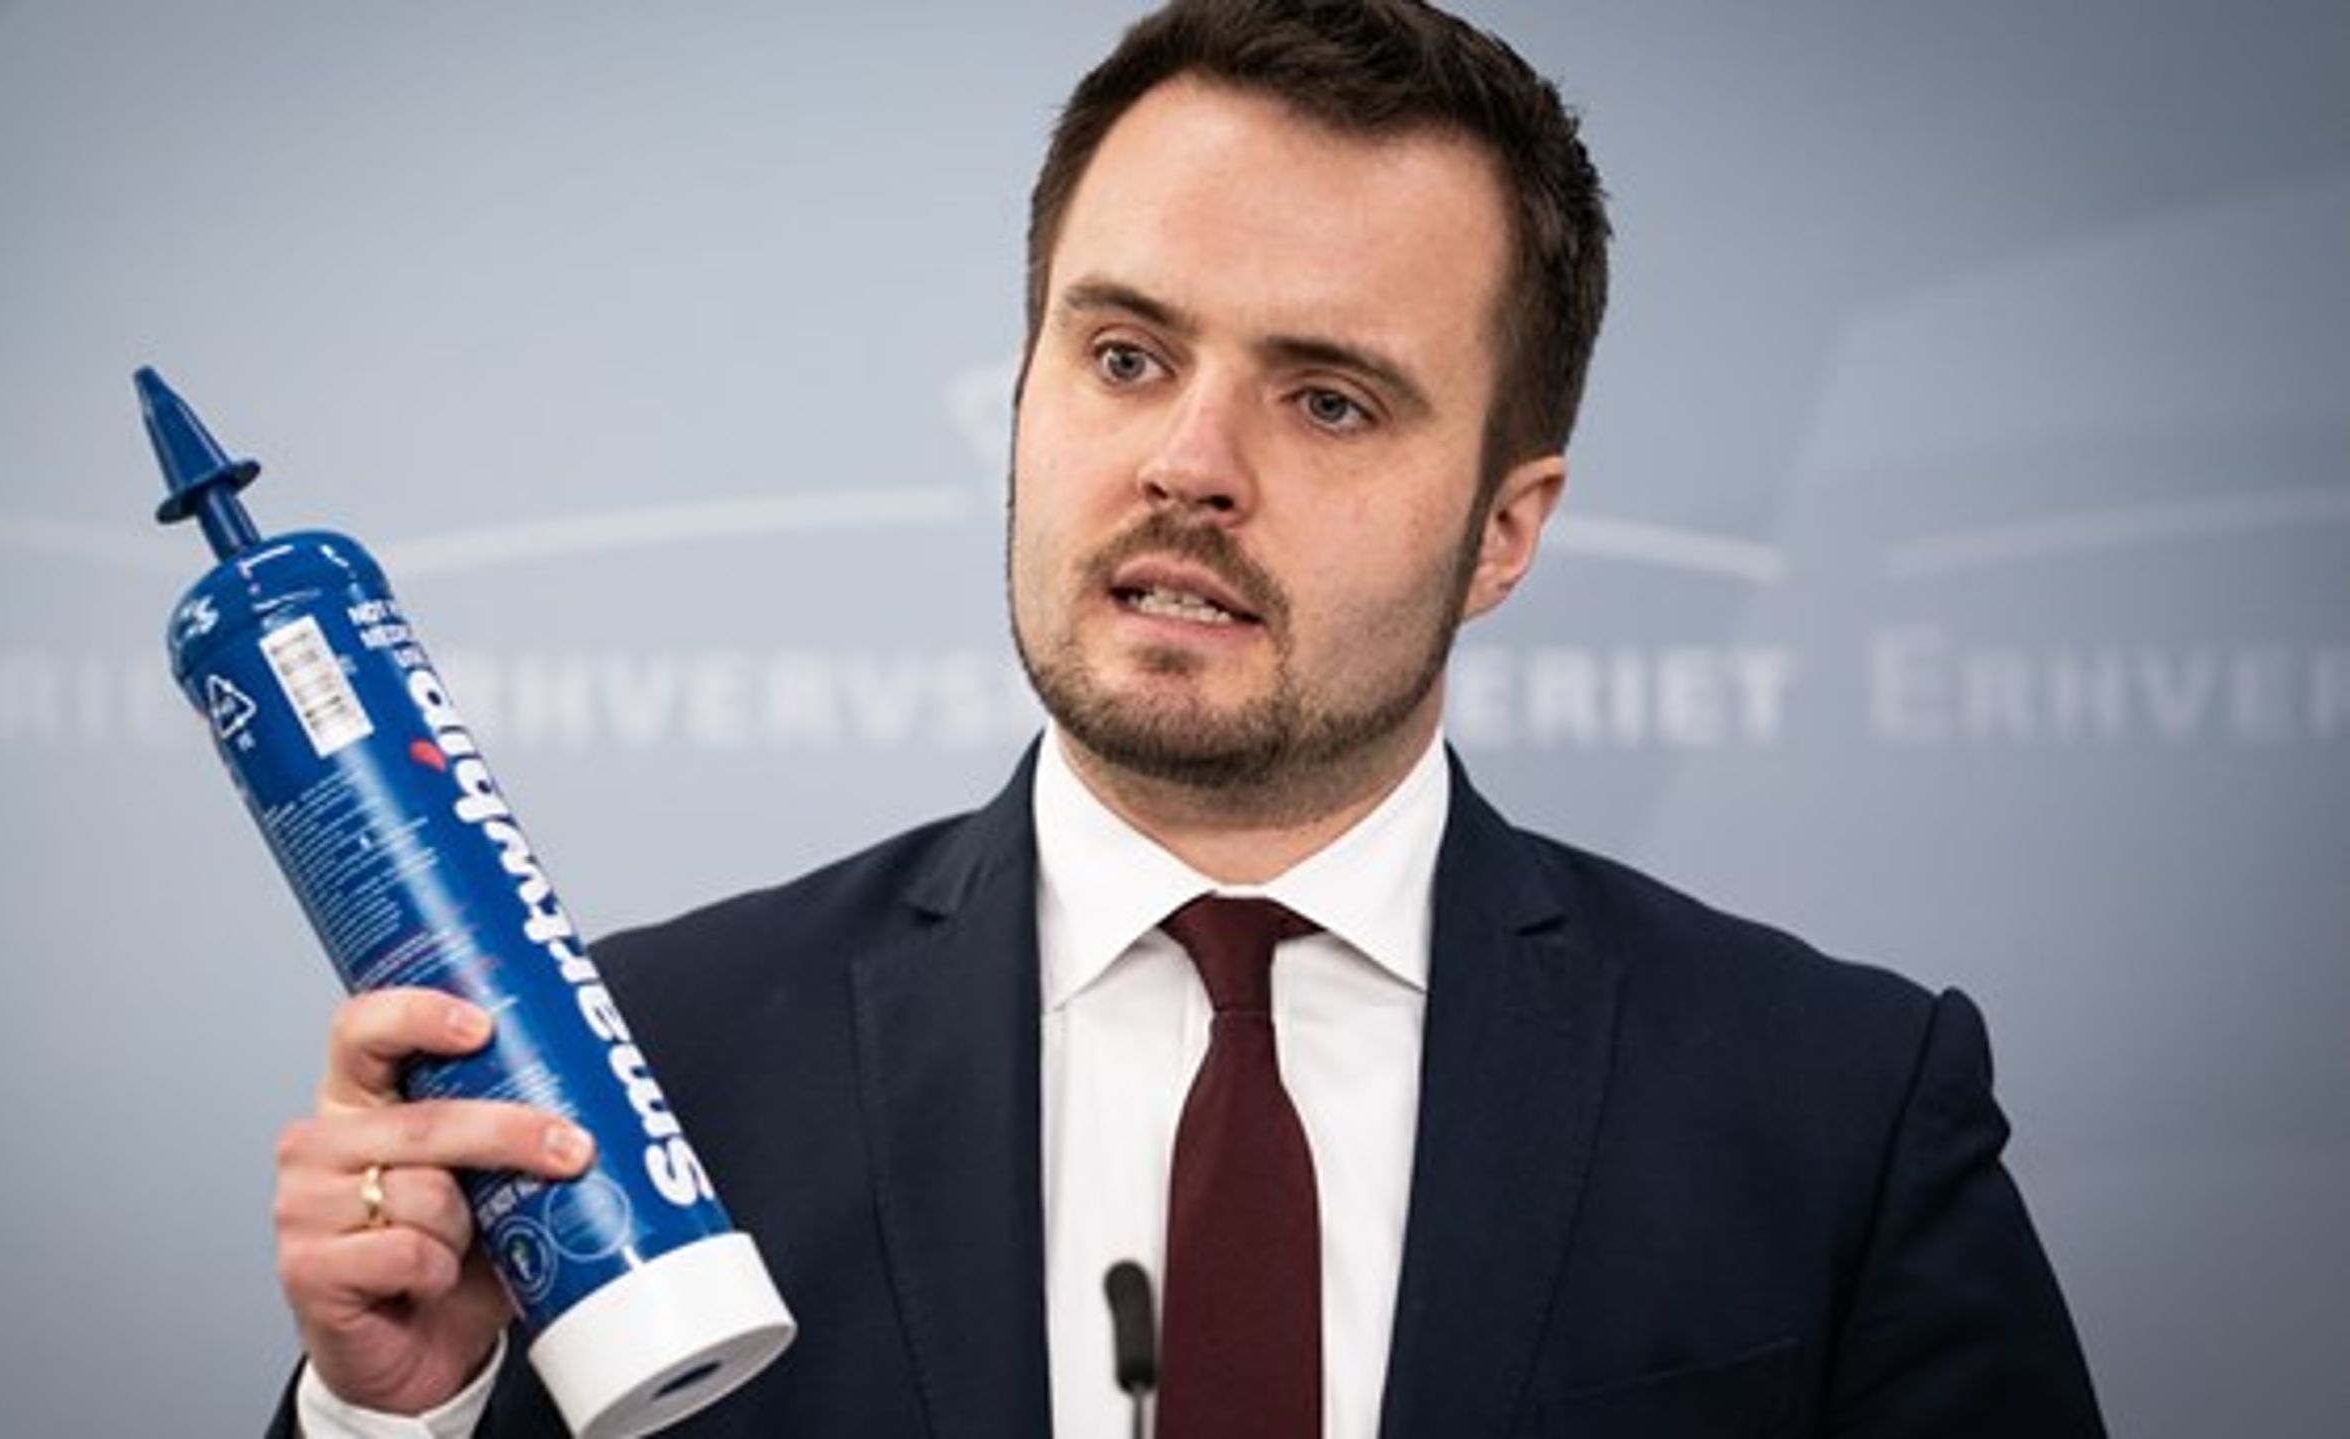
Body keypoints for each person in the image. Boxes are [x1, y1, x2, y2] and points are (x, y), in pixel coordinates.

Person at [269, 2, 2107, 1435]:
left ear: (1506, 529)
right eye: (1126, 356)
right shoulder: (628, 1083)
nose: (1188, 463)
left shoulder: (1835, 1108)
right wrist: (395, 1413)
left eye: (1329, 401)